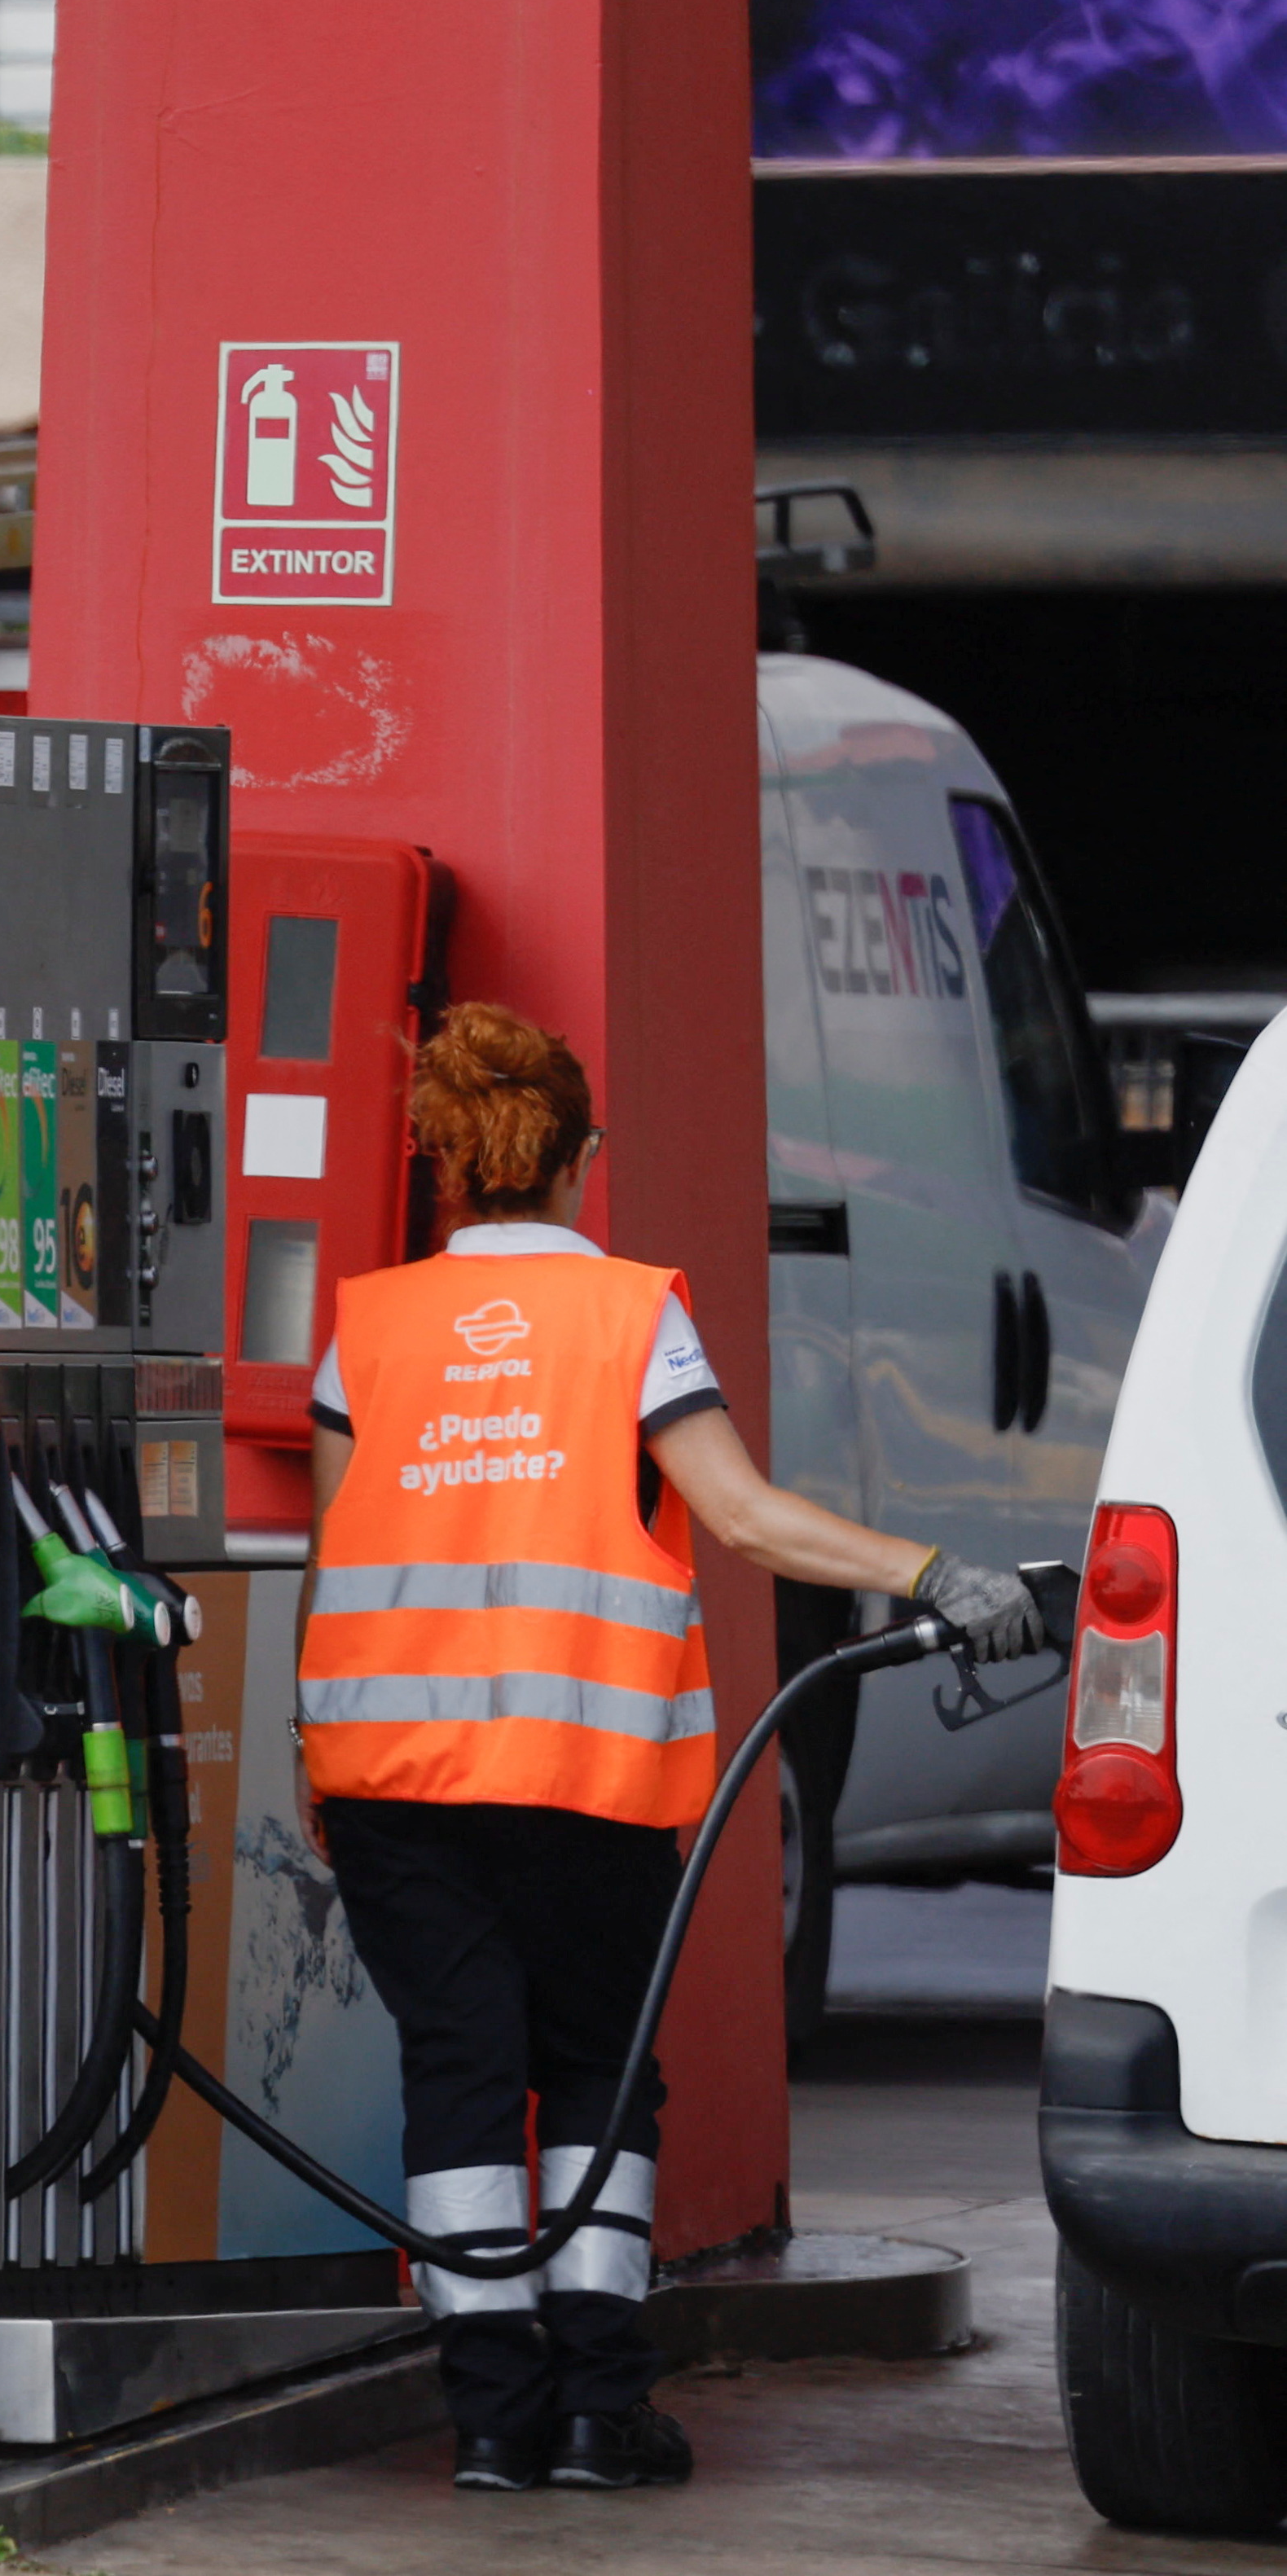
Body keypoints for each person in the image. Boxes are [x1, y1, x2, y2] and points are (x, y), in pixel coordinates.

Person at [292, 1003, 1043, 2496]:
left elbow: (334, 1561)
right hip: (590, 1773)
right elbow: (746, 1516)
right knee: (594, 2075)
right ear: (583, 1157)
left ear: (444, 1160)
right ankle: (598, 2411)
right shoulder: (633, 1312)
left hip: (391, 1780)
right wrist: (934, 1574)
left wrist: (319, 1763)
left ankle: (491, 2416)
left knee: (457, 2072)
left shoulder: (364, 1326)